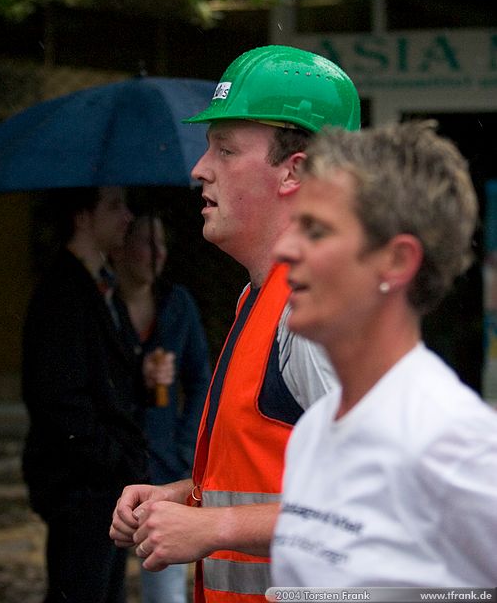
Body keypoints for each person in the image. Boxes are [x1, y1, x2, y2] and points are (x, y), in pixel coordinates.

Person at [110, 45, 360, 602]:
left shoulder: (315, 311)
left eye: (225, 149)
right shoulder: (265, 295)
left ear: (295, 171)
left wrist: (213, 528)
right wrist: (188, 499)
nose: (200, 169)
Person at [271, 120, 497, 587]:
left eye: (316, 231)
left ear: (396, 261)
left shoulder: (452, 440)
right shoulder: (315, 427)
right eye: (295, 226)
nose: (285, 248)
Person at [21, 186, 171, 603]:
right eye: (113, 205)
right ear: (83, 216)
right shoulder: (62, 293)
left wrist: (142, 373)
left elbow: (101, 377)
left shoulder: (100, 286)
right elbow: (60, 399)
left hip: (102, 486)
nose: (127, 216)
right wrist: (114, 459)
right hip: (82, 488)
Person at [111, 213, 212, 603]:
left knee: (166, 590)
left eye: (162, 244)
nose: (158, 254)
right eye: (146, 243)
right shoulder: (106, 305)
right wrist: (140, 377)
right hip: (115, 465)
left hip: (165, 465)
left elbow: (201, 380)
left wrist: (186, 447)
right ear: (120, 248)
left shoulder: (176, 304)